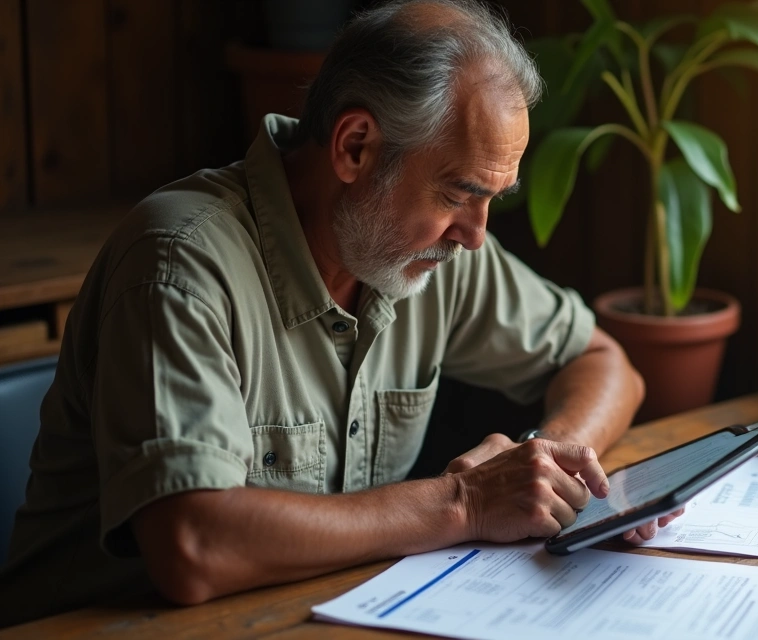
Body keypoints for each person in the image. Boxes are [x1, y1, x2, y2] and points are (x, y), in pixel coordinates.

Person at [0, 0, 682, 626]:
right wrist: (468, 503)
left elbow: (602, 361)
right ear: (356, 147)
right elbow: (192, 544)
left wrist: (546, 461)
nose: (476, 234)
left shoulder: (432, 251)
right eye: (460, 192)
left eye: (492, 198)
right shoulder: (179, 264)